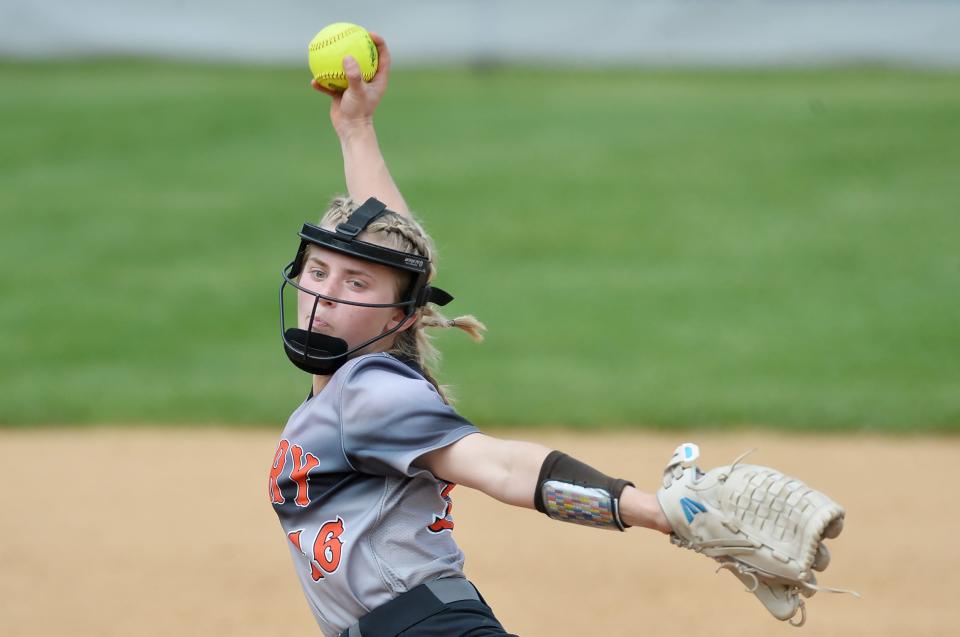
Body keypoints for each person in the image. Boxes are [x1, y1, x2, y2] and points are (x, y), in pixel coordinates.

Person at [269, 33, 671, 637]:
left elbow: (502, 467)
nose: (325, 293)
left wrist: (653, 511)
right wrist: (356, 130)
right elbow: (393, 251)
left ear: (398, 315)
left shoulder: (370, 392)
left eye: (355, 285)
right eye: (319, 272)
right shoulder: (369, 372)